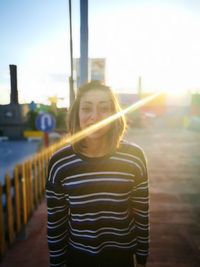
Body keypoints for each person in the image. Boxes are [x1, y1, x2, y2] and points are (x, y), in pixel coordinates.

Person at [46, 80, 149, 267]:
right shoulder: (60, 163)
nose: (95, 116)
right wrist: (57, 263)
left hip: (122, 257)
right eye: (86, 109)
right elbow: (56, 222)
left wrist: (142, 256)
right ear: (76, 114)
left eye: (104, 108)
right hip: (78, 257)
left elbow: (141, 212)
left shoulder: (134, 157)